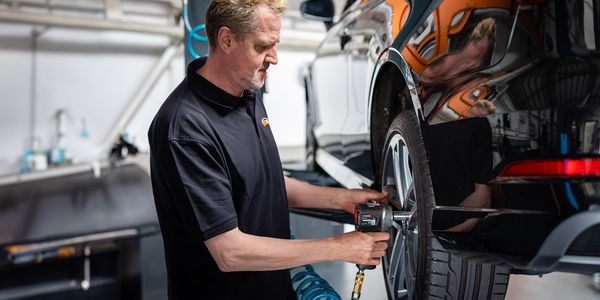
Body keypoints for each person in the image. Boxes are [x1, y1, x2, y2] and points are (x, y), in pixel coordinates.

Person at [147, 0, 390, 299]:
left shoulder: (246, 92)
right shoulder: (185, 129)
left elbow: (262, 181)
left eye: (275, 45)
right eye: (262, 46)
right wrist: (338, 247)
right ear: (226, 39)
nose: (273, 58)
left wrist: (342, 199)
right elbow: (229, 252)